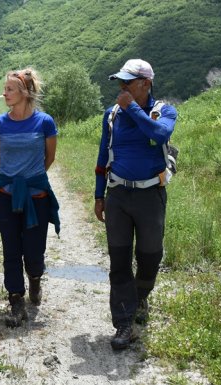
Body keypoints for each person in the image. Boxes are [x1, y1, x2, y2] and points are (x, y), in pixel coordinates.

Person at [94, 59, 177, 350]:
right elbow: (103, 156)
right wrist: (98, 195)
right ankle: (124, 323)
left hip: (150, 196)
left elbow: (159, 134)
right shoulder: (112, 115)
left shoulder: (163, 111)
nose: (122, 88)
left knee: (150, 255)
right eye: (120, 82)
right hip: (117, 196)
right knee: (118, 260)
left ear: (145, 83)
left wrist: (133, 108)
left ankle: (141, 295)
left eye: (127, 82)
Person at [0, 68, 60, 327]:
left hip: (37, 196)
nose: (5, 93)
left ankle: (35, 278)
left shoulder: (45, 122)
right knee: (11, 249)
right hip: (6, 195)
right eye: (5, 88)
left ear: (25, 93)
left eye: (10, 89)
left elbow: (49, 157)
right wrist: (15, 179)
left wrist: (30, 178)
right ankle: (16, 300)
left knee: (34, 248)